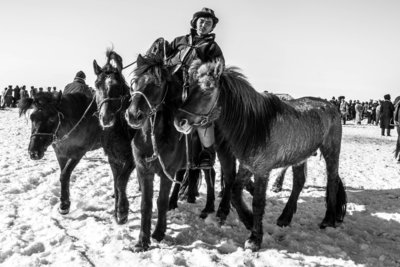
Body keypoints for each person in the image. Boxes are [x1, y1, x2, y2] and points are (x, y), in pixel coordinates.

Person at [165, 7, 224, 168]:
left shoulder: (212, 47)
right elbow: (165, 60)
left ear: (212, 28)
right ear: (195, 22)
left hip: (194, 89)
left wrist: (199, 69)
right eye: (202, 21)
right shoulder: (179, 41)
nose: (204, 25)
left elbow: (217, 69)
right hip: (172, 86)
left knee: (203, 117)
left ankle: (207, 152)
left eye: (208, 23)